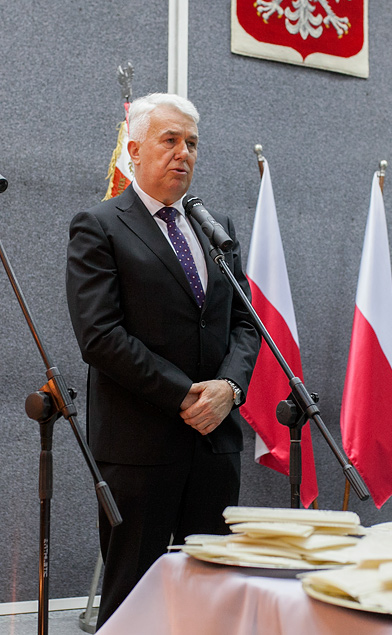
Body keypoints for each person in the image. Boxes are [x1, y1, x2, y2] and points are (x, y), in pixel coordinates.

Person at [65, 93, 259, 626]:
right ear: (134, 150)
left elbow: (245, 323)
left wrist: (230, 388)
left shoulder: (214, 226)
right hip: (140, 448)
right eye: (169, 140)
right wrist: (185, 394)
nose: (183, 154)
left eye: (192, 144)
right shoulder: (100, 225)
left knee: (214, 600)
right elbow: (100, 336)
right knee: (136, 605)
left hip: (214, 443)